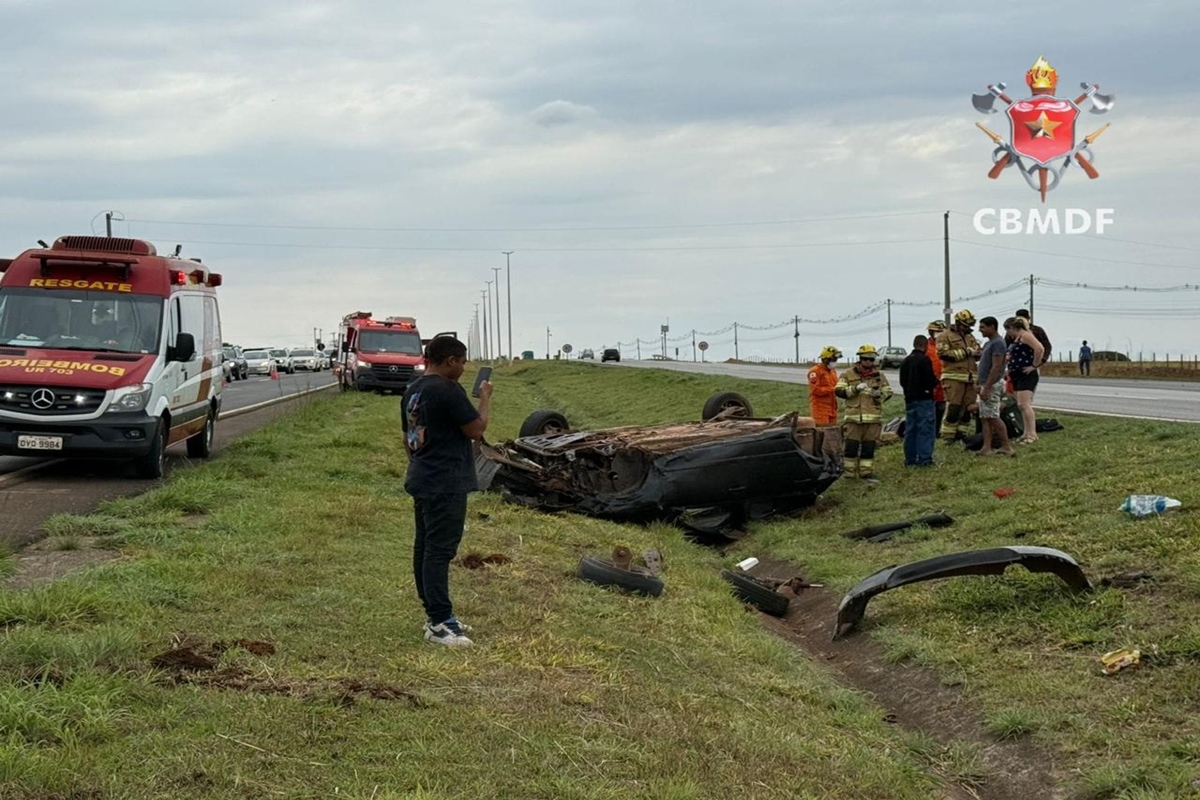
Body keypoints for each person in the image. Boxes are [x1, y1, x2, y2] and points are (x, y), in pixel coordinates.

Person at [401, 336, 492, 647]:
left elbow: (408, 438)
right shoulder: (447, 389)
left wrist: (421, 465)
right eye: (463, 362)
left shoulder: (413, 389)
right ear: (451, 360)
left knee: (424, 548)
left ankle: (436, 614)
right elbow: (476, 430)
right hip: (446, 481)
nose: (465, 368)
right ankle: (440, 622)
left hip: (422, 476)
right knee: (439, 551)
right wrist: (485, 398)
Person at [835, 344, 893, 479]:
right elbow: (839, 391)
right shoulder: (847, 374)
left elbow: (888, 392)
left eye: (872, 359)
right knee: (851, 447)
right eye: (866, 359)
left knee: (869, 448)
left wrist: (879, 394)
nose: (869, 362)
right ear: (860, 359)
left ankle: (866, 473)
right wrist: (855, 389)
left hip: (872, 419)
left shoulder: (879, 375)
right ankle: (848, 474)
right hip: (853, 418)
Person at [936, 309, 981, 443]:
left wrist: (978, 353)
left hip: (970, 377)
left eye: (970, 325)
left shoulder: (970, 337)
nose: (968, 328)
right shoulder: (945, 336)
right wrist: (966, 352)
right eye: (965, 325)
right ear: (958, 323)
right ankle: (948, 436)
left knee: (968, 408)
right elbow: (943, 354)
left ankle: (962, 434)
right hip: (953, 377)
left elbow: (977, 352)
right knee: (954, 408)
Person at [975, 317, 1015, 456]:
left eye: (983, 327)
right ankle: (987, 447)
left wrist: (987, 386)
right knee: (985, 417)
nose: (980, 330)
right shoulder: (988, 344)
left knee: (992, 416)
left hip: (991, 384)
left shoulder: (998, 343)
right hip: (984, 383)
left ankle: (1006, 446)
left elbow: (996, 366)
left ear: (992, 327)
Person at [1003, 317, 1045, 445]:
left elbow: (1039, 348)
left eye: (1008, 330)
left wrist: (1034, 365)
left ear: (1012, 328)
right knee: (1020, 405)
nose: (1008, 334)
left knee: (1024, 404)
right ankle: (1026, 432)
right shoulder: (1017, 339)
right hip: (1016, 374)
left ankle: (1032, 434)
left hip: (1026, 374)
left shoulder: (1026, 335)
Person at [899, 335, 938, 467]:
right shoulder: (924, 359)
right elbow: (929, 380)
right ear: (925, 345)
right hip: (924, 399)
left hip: (910, 399)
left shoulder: (906, 361)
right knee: (925, 429)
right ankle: (924, 459)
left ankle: (910, 459)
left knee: (911, 430)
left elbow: (902, 381)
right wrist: (936, 381)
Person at [807, 346, 842, 426]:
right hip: (820, 410)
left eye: (835, 360)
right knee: (821, 433)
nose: (835, 361)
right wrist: (834, 389)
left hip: (832, 409)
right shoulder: (815, 371)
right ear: (825, 359)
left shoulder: (832, 371)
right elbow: (816, 390)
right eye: (833, 360)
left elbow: (836, 385)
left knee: (832, 433)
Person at [925, 321, 947, 439]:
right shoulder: (926, 347)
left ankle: (937, 431)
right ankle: (928, 432)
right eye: (937, 331)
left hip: (943, 383)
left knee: (941, 409)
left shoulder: (945, 346)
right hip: (929, 384)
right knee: (929, 410)